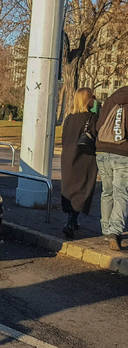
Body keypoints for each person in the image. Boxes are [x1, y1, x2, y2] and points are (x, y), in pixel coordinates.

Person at [60, 88, 98, 239]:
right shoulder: (92, 117)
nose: (95, 100)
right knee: (83, 188)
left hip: (68, 157)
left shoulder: (69, 117)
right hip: (85, 157)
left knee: (70, 189)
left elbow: (64, 138)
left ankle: (71, 219)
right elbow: (95, 137)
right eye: (92, 97)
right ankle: (71, 221)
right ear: (87, 100)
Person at [95, 86, 128, 250]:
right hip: (123, 153)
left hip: (102, 150)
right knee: (121, 193)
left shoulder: (110, 99)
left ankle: (107, 230)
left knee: (106, 192)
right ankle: (115, 231)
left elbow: (99, 125)